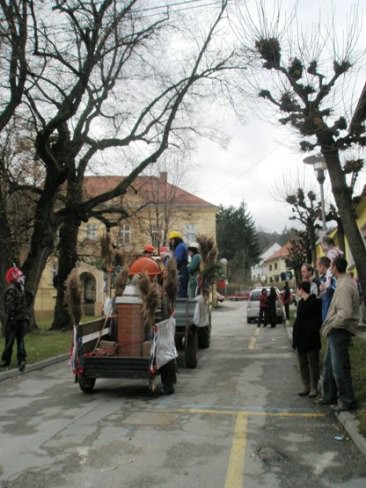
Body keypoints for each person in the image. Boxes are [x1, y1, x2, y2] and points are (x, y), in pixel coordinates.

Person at [319, 256, 359, 412]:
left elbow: (345, 313)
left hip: (340, 331)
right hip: (336, 331)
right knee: (328, 365)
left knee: (339, 368)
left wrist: (332, 326)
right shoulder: (343, 282)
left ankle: (348, 400)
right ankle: (329, 395)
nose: (330, 269)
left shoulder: (344, 286)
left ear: (335, 267)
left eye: (331, 266)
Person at [292, 281, 322, 398]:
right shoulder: (300, 303)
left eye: (297, 289)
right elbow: (298, 320)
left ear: (301, 290)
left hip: (311, 339)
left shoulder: (315, 302)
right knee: (303, 364)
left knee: (313, 363)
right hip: (301, 340)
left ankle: (314, 387)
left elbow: (317, 321)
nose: (297, 292)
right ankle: (306, 386)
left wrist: (309, 331)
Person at [0, 266, 30, 371]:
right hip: (14, 320)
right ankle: (7, 360)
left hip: (20, 320)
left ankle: (21, 359)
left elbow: (24, 305)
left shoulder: (19, 288)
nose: (22, 277)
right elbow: (10, 306)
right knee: (11, 341)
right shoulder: (12, 289)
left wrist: (25, 318)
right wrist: (12, 318)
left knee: (20, 341)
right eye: (20, 276)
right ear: (15, 277)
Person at [168, 230, 189, 298]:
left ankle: (181, 307)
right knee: (183, 289)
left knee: (181, 290)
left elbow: (177, 260)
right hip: (183, 269)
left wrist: (170, 266)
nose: (171, 242)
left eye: (171, 240)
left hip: (181, 270)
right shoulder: (183, 246)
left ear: (175, 240)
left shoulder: (179, 247)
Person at [316, 256, 336, 321]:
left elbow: (334, 290)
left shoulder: (332, 277)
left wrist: (325, 288)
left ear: (322, 266)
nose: (316, 268)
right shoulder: (322, 278)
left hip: (331, 313)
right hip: (325, 311)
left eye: (317, 266)